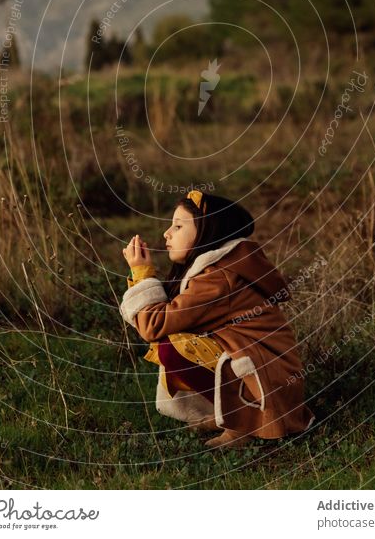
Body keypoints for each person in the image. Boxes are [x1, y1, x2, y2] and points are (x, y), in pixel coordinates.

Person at [120, 189, 314, 449]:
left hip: (267, 380)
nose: (167, 233)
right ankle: (228, 413)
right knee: (178, 338)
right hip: (268, 372)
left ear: (206, 231)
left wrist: (141, 273)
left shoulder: (219, 277)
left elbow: (154, 325)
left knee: (171, 345)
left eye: (178, 226)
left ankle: (243, 426)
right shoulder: (224, 266)